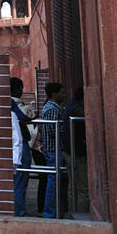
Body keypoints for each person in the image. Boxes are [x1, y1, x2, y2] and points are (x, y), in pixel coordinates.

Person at [40, 82, 68, 219]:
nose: (64, 95)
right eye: (62, 92)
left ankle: (54, 211)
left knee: (55, 180)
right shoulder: (52, 109)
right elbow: (53, 130)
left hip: (53, 149)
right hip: (53, 149)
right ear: (54, 94)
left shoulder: (53, 107)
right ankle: (50, 212)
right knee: (53, 181)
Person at [9, 77, 34, 217]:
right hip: (19, 146)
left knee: (18, 181)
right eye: (21, 88)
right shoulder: (13, 102)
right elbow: (27, 115)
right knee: (20, 181)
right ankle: (19, 212)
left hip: (15, 145)